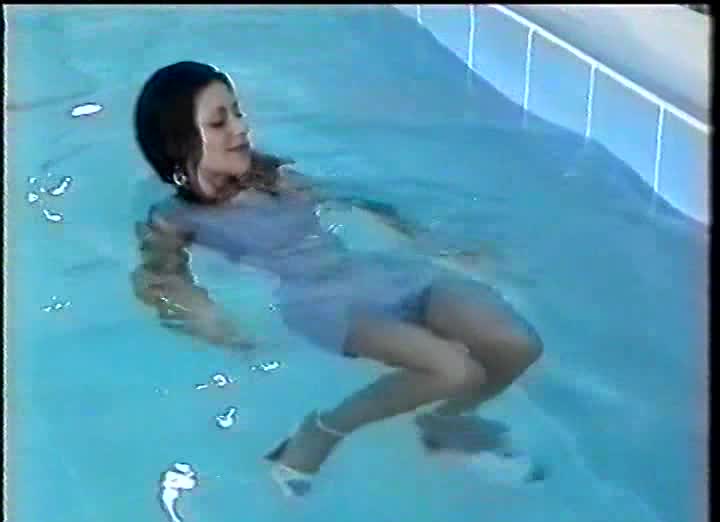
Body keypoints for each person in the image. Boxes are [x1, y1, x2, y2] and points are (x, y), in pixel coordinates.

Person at [132, 61, 544, 497]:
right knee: (454, 370)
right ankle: (321, 431)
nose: (241, 127)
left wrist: (441, 248)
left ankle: (443, 423)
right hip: (323, 304)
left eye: (237, 112)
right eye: (219, 122)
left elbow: (355, 201)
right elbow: (160, 278)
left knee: (517, 346)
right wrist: (213, 323)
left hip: (376, 274)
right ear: (179, 142)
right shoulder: (176, 218)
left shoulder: (271, 175)